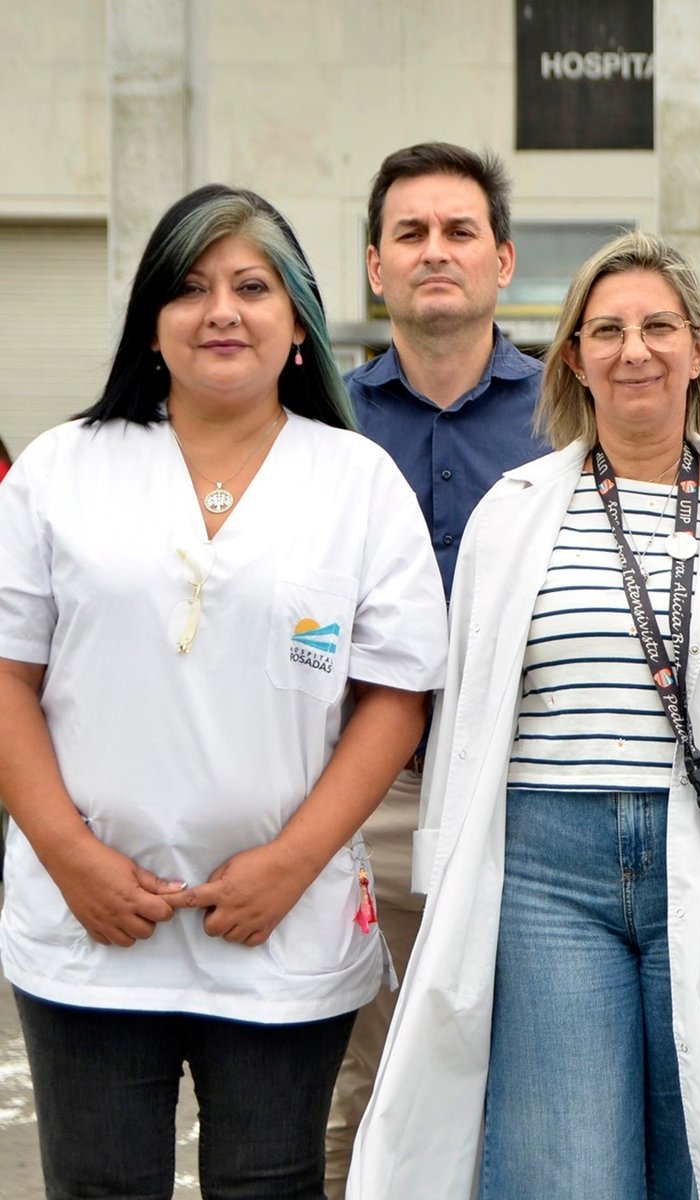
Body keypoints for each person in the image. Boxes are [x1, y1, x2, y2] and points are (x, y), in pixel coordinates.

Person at [350, 230, 700, 1200]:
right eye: (608, 330)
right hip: (550, 871)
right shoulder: (514, 512)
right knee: (567, 1169)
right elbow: (464, 724)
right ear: (575, 359)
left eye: (658, 327)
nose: (635, 350)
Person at [0, 184, 447, 1199]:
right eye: (191, 288)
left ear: (298, 325)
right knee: (100, 1185)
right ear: (150, 325)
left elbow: (394, 699)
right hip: (90, 927)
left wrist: (291, 865)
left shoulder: (357, 482)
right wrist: (72, 860)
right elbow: (7, 676)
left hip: (282, 927)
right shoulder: (62, 471)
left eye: (253, 286)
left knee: (272, 1183)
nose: (221, 310)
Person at [323, 140, 549, 1198]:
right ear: (376, 266)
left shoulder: (570, 413)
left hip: (527, 798)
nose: (434, 252)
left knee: (523, 1076)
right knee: (357, 1083)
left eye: (459, 231)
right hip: (362, 804)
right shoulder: (323, 424)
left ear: (503, 261)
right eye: (409, 234)